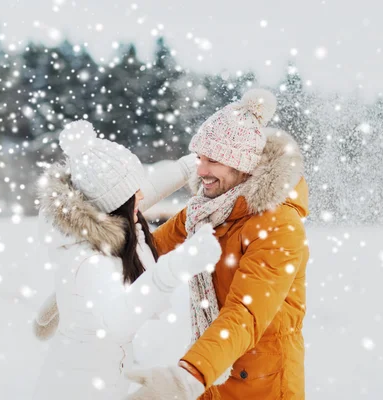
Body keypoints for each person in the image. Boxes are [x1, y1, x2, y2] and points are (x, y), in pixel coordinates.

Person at [125, 88, 310, 400]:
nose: (201, 171)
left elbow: (245, 313)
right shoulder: (207, 210)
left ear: (242, 165)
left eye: (213, 161)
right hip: (214, 374)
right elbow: (152, 252)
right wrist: (105, 255)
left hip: (263, 385)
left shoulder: (278, 225)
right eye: (200, 158)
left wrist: (190, 374)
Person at [31, 120, 222, 400]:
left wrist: (191, 165)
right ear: (115, 205)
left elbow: (146, 190)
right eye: (134, 194)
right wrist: (177, 266)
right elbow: (119, 321)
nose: (142, 196)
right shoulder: (93, 260)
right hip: (82, 390)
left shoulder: (98, 226)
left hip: (90, 378)